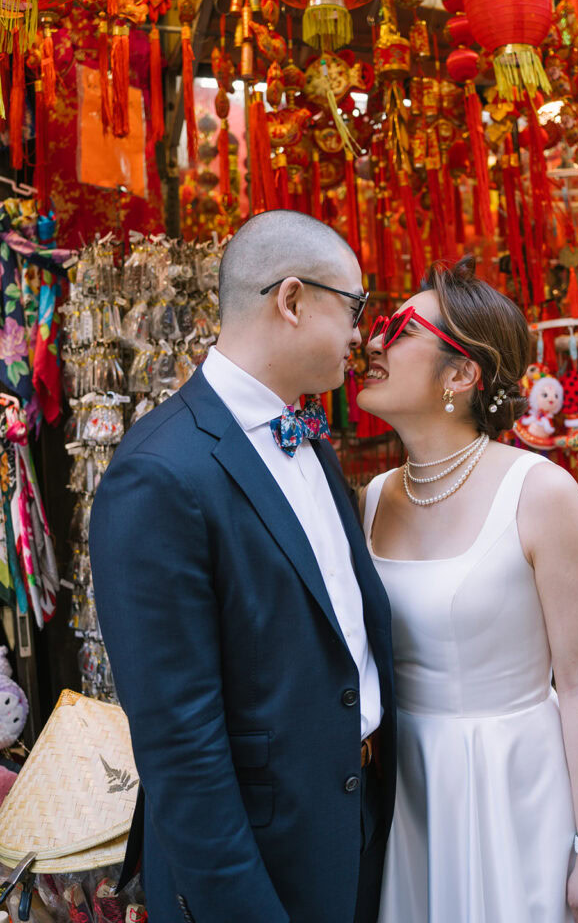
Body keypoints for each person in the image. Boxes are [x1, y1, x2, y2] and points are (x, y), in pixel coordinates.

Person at [90, 210, 396, 923]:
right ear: (291, 301)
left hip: (356, 828)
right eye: (353, 307)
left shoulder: (312, 442)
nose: (362, 334)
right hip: (261, 864)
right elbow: (178, 743)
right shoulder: (159, 472)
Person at [357, 257, 578, 923]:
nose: (371, 342)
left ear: (460, 375)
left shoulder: (540, 493)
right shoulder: (370, 499)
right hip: (406, 792)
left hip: (513, 787)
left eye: (397, 330)